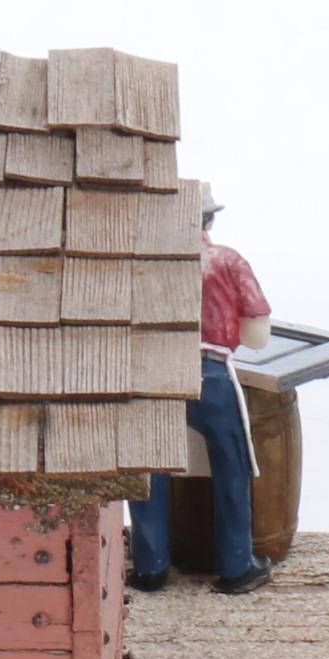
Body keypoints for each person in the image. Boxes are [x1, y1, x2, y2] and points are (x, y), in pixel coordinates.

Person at [128, 210, 276, 595]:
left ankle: (150, 567)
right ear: (209, 220)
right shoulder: (227, 260)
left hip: (154, 371)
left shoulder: (145, 259)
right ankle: (236, 565)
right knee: (231, 464)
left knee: (147, 468)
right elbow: (258, 332)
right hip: (210, 371)